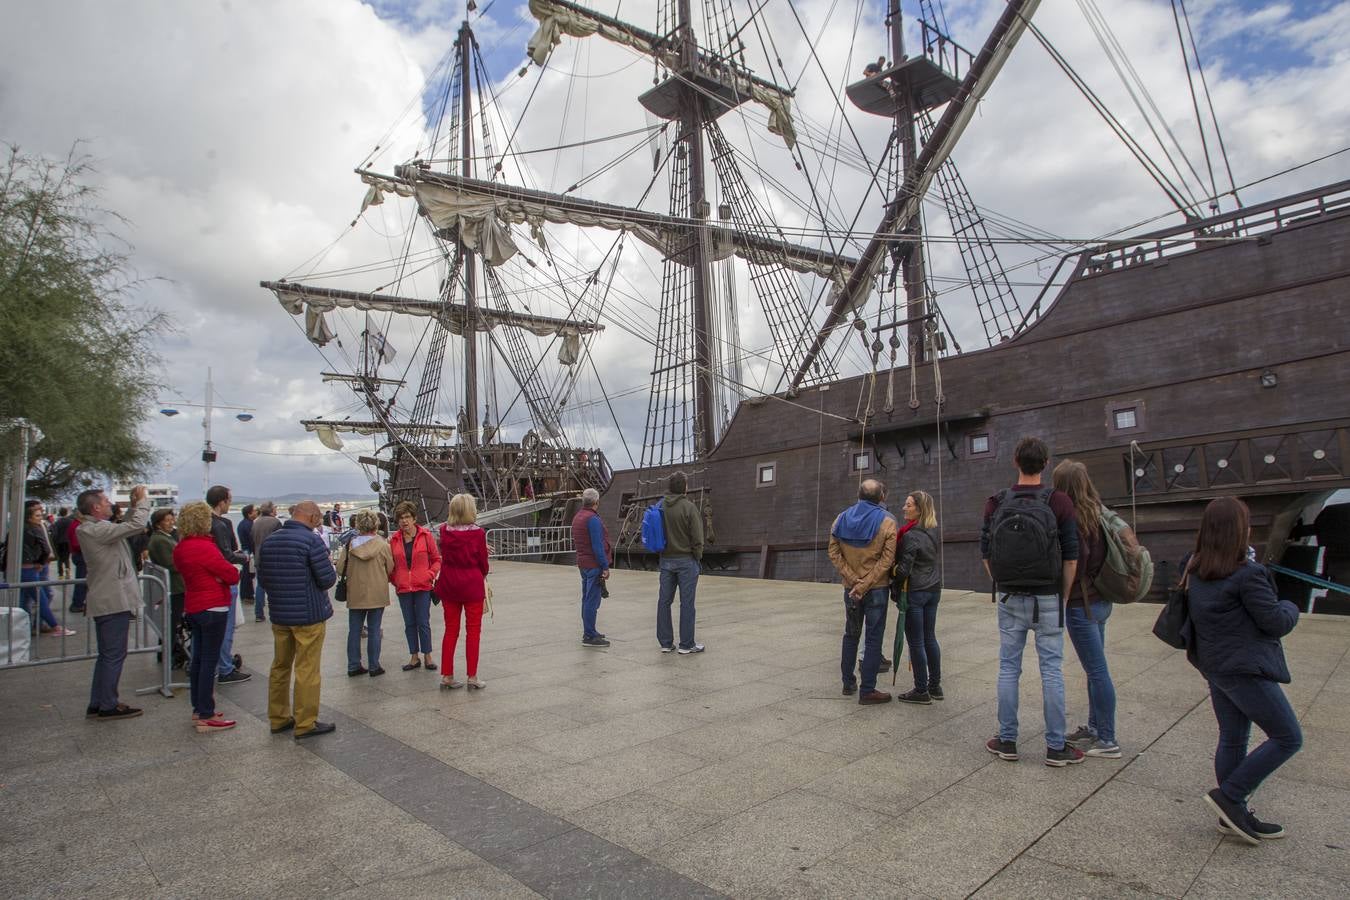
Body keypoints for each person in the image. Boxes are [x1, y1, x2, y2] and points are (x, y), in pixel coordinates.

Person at [1188, 497, 1302, 844]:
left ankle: (1231, 813)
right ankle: (1231, 796)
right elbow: (1275, 622)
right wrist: (1291, 604)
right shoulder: (1248, 575)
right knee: (1288, 737)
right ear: (1241, 530)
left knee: (1234, 736)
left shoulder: (1194, 570)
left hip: (1215, 665)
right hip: (1244, 668)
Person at [983, 436, 1083, 766]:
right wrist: (1064, 594)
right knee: (1051, 670)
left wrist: (1002, 580)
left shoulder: (997, 502)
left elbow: (986, 554)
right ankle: (1056, 746)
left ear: (1015, 462)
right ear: (1046, 464)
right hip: (1048, 595)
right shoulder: (1060, 502)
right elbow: (1071, 558)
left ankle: (1007, 740)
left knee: (1009, 667)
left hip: (1011, 594)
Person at [1052, 460, 1121, 759]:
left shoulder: (1075, 519)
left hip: (1082, 604)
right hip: (1101, 599)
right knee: (1096, 669)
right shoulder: (1099, 512)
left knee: (1097, 672)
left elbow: (1075, 564)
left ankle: (1107, 738)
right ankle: (1094, 728)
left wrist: (1062, 596)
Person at [257, 500, 337, 739]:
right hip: (308, 615)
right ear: (312, 517)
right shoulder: (311, 541)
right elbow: (327, 579)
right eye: (319, 518)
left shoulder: (270, 541)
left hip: (280, 615)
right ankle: (305, 722)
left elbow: (262, 579)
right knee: (307, 669)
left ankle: (278, 717)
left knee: (280, 666)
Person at [77, 485, 150, 720]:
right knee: (114, 654)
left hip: (106, 599)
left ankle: (98, 701)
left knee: (107, 654)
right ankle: (108, 703)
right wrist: (141, 502)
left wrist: (131, 506)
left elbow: (123, 527)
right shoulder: (96, 530)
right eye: (107, 501)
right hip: (112, 600)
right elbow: (136, 526)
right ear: (96, 507)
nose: (111, 503)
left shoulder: (95, 529)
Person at [172, 501, 240, 733]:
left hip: (194, 605)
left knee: (199, 659)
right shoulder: (204, 547)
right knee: (208, 660)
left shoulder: (181, 548)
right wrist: (219, 579)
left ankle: (199, 706)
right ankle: (205, 713)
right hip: (213, 607)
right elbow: (230, 574)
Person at [828, 479, 897, 705]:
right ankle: (868, 690)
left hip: (850, 589)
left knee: (851, 634)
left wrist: (853, 579)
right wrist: (866, 583)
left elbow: (834, 552)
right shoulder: (888, 522)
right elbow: (887, 560)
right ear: (882, 497)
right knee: (873, 637)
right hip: (876, 588)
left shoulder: (841, 518)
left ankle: (848, 683)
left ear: (858, 495)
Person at [434, 493, 488, 690]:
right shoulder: (478, 533)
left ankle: (447, 675)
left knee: (450, 630)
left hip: (449, 583)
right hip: (471, 583)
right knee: (473, 631)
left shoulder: (443, 531)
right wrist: (482, 573)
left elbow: (445, 555)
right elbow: (483, 562)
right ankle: (472, 676)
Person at [894, 490, 943, 705]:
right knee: (929, 637)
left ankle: (921, 689)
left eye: (909, 505)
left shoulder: (910, 535)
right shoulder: (933, 530)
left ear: (919, 509)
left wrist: (891, 571)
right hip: (933, 587)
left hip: (915, 591)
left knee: (916, 641)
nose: (904, 508)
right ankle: (935, 686)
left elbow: (904, 569)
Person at [335, 509, 394, 677]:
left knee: (354, 630)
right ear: (375, 525)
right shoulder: (383, 545)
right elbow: (390, 568)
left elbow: (340, 569)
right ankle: (374, 665)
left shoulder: (350, 545)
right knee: (375, 629)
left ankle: (354, 664)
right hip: (377, 591)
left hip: (356, 592)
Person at [656, 471, 706, 654]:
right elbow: (697, 538)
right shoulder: (689, 507)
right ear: (685, 487)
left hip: (666, 559)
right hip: (686, 560)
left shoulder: (660, 506)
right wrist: (697, 556)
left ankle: (665, 642)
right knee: (687, 603)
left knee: (664, 601)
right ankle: (686, 644)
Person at [389, 500, 440, 672]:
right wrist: (395, 579)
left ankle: (427, 655)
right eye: (401, 518)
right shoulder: (394, 540)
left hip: (422, 586)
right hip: (404, 587)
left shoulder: (426, 536)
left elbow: (436, 559)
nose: (404, 521)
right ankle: (413, 656)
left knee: (423, 622)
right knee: (409, 623)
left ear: (414, 518)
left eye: (407, 517)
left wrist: (430, 574)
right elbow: (390, 565)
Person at [206, 485, 250, 685]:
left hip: (210, 583)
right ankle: (225, 667)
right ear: (222, 501)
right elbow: (227, 554)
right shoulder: (220, 525)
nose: (230, 503)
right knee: (226, 626)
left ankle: (218, 664)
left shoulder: (211, 523)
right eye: (229, 500)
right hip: (224, 580)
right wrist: (243, 557)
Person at [16, 500, 72, 636]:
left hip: (30, 567)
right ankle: (54, 626)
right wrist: (40, 562)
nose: (40, 514)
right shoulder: (33, 529)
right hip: (32, 567)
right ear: (29, 516)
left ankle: (28, 626)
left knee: (26, 598)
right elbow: (45, 548)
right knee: (41, 597)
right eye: (37, 513)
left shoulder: (30, 527)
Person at [146, 508, 188, 669]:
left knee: (170, 622)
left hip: (174, 585)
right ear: (158, 524)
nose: (172, 523)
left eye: (172, 519)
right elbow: (170, 563)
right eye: (168, 520)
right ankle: (167, 654)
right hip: (174, 586)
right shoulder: (160, 540)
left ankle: (165, 653)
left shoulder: (164, 537)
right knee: (171, 622)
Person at [572, 488, 611, 648]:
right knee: (591, 600)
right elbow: (597, 546)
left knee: (586, 599)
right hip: (594, 564)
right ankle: (589, 635)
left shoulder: (578, 517)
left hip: (583, 563)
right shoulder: (592, 519)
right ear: (596, 502)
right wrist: (605, 566)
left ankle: (590, 630)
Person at [250, 501, 282, 622]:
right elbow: (280, 541)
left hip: (258, 557)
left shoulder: (255, 522)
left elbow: (252, 540)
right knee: (276, 587)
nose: (276, 510)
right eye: (274, 508)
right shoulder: (275, 522)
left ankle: (258, 613)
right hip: (273, 559)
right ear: (271, 510)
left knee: (260, 586)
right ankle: (278, 611)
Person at [237, 504, 258, 611]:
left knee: (246, 574)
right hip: (249, 552)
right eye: (254, 511)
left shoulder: (242, 524)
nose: (256, 512)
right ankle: (248, 596)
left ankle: (245, 595)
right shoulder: (249, 525)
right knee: (249, 574)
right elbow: (252, 540)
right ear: (249, 513)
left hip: (246, 551)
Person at [69, 515, 87, 613]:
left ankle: (78, 602)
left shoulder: (76, 524)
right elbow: (76, 544)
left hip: (79, 555)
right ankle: (77, 603)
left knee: (82, 580)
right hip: (80, 555)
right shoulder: (77, 525)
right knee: (81, 580)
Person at [52, 507, 73, 579]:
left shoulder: (57, 522)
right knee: (67, 557)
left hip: (59, 542)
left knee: (60, 559)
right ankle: (67, 570)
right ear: (66, 513)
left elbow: (55, 534)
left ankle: (60, 574)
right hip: (68, 542)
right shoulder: (70, 522)